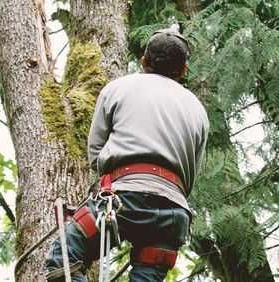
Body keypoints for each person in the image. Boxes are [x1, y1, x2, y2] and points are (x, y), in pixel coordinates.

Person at [45, 27, 209, 282]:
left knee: (64, 258)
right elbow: (191, 176)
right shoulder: (198, 110)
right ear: (183, 70)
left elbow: (95, 153)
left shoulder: (118, 88)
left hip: (122, 200)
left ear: (144, 60)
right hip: (173, 214)